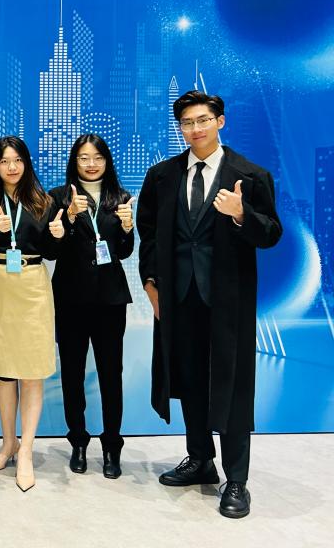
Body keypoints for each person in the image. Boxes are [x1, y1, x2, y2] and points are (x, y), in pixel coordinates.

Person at [138, 90, 281, 519]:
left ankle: (236, 479)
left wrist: (241, 214)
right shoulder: (162, 176)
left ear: (220, 121)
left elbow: (271, 233)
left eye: (203, 120)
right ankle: (200, 459)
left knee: (233, 387)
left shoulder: (250, 175)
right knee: (189, 380)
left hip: (227, 301)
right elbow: (149, 234)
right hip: (178, 298)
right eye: (187, 123)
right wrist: (150, 282)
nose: (195, 129)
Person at [0, 136, 64, 492]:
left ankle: (26, 450)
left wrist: (58, 235)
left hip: (32, 285)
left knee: (32, 370)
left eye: (17, 160)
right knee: (4, 369)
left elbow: (51, 251)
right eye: (4, 161)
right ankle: (8, 443)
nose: (11, 167)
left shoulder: (43, 201)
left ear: (26, 163)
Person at [48, 134, 134, 479]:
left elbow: (123, 252)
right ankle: (78, 442)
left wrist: (127, 227)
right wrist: (69, 218)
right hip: (71, 298)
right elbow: (52, 250)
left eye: (97, 157)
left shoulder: (120, 197)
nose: (91, 164)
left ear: (107, 161)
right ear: (75, 161)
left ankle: (112, 445)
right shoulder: (58, 196)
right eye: (84, 158)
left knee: (112, 374)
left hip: (110, 300)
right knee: (72, 373)